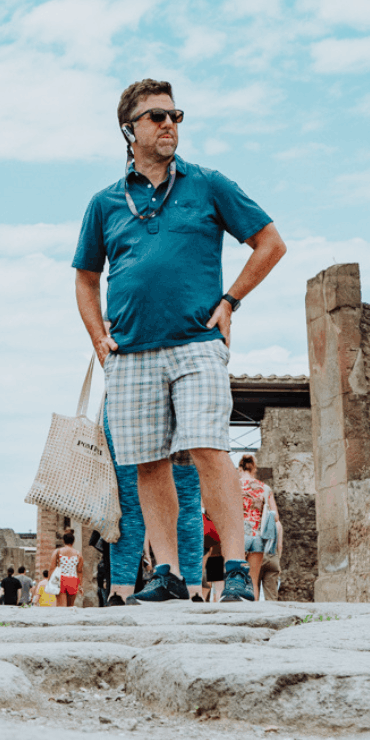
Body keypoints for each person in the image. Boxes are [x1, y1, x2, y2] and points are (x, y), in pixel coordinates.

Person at [73, 78, 286, 605]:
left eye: (175, 115)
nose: (169, 124)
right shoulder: (104, 203)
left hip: (195, 343)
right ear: (129, 130)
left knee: (209, 448)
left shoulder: (208, 184)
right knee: (148, 461)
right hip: (131, 351)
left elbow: (270, 242)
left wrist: (231, 300)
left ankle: (235, 568)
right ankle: (165, 571)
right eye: (156, 116)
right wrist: (100, 339)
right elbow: (84, 277)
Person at [104, 406, 204, 607]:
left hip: (126, 401)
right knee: (186, 498)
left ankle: (119, 593)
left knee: (128, 502)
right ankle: (193, 591)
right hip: (179, 400)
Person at [238, 454, 279, 601]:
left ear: (239, 468)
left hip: (238, 536)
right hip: (257, 536)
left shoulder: (233, 486)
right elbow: (275, 517)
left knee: (236, 578)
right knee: (253, 580)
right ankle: (253, 609)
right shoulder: (265, 488)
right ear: (254, 468)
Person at [52, 530, 83, 607]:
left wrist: (49, 580)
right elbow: (79, 571)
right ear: (73, 541)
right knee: (70, 606)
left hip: (61, 579)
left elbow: (52, 567)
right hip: (73, 580)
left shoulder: (58, 552)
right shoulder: (78, 554)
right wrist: (80, 585)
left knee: (61, 606)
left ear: (63, 541)